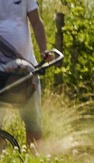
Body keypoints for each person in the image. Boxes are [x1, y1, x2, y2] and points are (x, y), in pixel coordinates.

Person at [0, 0, 53, 147]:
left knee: (33, 124)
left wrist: (44, 50)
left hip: (26, 70)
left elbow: (36, 21)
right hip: (1, 72)